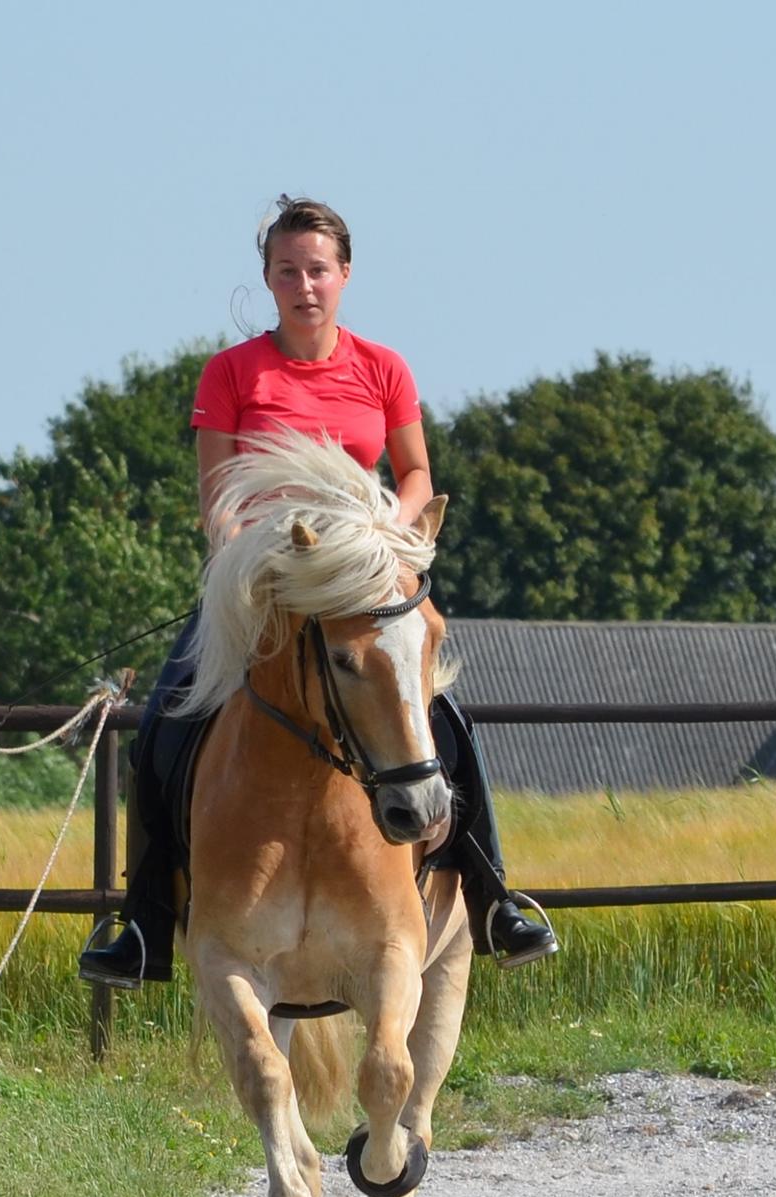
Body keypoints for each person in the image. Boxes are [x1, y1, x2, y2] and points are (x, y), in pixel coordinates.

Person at [80, 196, 557, 989]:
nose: (303, 285)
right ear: (268, 279)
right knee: (163, 722)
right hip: (263, 589)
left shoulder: (383, 367)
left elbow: (415, 474)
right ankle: (144, 925)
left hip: (359, 582)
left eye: (317, 270)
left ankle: (494, 899)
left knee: (445, 719)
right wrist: (251, 568)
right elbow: (218, 501)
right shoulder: (231, 372)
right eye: (287, 271)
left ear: (344, 275)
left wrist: (384, 533)